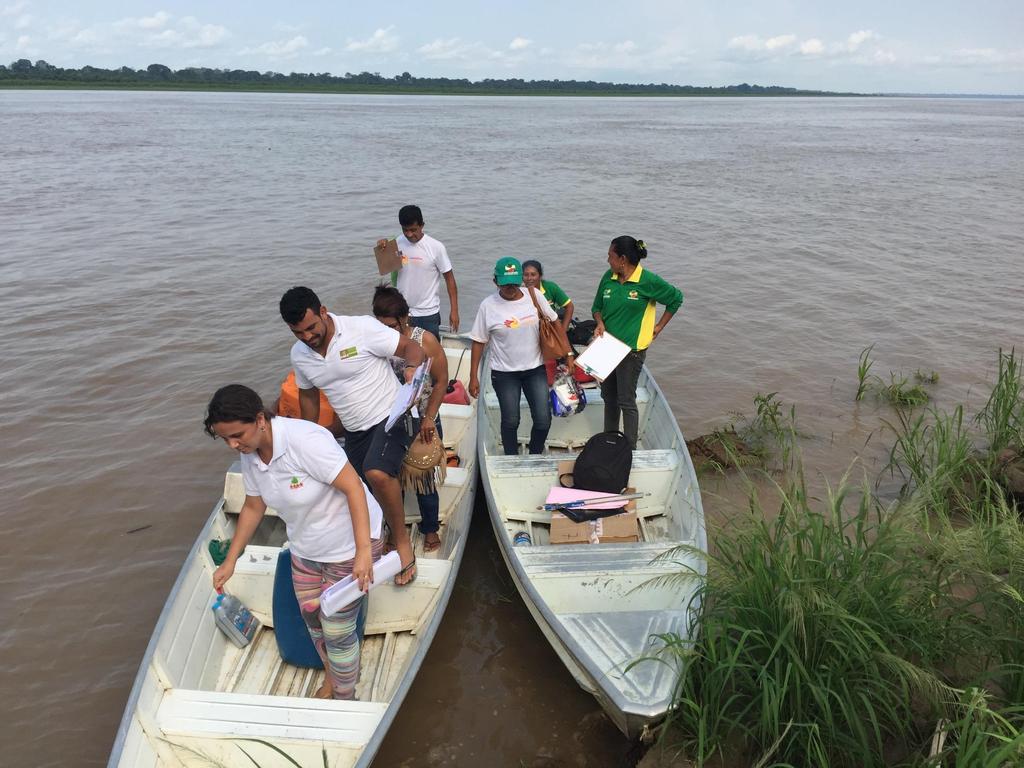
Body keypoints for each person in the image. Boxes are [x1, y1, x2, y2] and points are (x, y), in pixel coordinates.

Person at [204, 384, 384, 700]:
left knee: (338, 631)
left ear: (260, 419)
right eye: (225, 439)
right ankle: (333, 676)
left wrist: (364, 552)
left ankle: (345, 697)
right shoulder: (251, 452)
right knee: (313, 617)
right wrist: (231, 560)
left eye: (237, 435)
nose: (233, 445)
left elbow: (354, 488)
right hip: (306, 547)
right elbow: (253, 505)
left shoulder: (306, 442)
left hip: (348, 545)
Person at [279, 286, 425, 586]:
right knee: (353, 489)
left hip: (393, 415)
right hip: (355, 430)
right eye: (298, 333)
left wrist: (411, 369)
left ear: (323, 312)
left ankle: (402, 544)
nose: (307, 337)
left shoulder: (361, 328)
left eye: (311, 328)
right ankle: (373, 538)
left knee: (377, 472)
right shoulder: (300, 355)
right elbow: (307, 398)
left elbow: (413, 349)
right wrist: (308, 437)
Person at [373, 285, 449, 553]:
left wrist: (429, 418)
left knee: (424, 478)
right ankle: (396, 530)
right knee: (391, 478)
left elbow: (441, 382)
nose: (389, 331)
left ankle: (430, 528)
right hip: (390, 419)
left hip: (423, 417)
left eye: (393, 325)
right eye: (382, 325)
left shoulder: (424, 340)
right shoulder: (377, 341)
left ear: (405, 318)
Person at [592, 236, 683, 449]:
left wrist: (659, 326)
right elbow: (596, 307)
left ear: (623, 259)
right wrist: (599, 323)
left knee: (626, 400)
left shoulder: (647, 281)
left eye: (610, 256)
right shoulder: (609, 276)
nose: (608, 260)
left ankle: (629, 449)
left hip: (631, 351)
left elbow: (676, 298)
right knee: (608, 397)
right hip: (606, 348)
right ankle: (610, 440)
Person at [469, 257, 558, 456]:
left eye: (514, 283)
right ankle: (511, 457)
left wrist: (567, 354)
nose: (511, 288)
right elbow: (478, 341)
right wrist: (473, 376)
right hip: (504, 373)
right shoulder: (487, 306)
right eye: (505, 283)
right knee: (511, 420)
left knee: (543, 420)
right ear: (495, 282)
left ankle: (535, 454)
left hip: (535, 369)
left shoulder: (534, 296)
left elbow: (554, 321)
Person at [376, 204, 459, 339]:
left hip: (428, 313)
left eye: (413, 230)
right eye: (405, 230)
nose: (409, 234)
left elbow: (450, 279)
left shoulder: (436, 247)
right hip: (402, 312)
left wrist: (454, 311)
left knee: (431, 354)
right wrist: (383, 249)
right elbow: (386, 269)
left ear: (422, 225)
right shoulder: (397, 243)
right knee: (404, 355)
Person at [522, 260, 574, 333]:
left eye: (533, 275)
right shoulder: (519, 292)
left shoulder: (550, 287)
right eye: (526, 275)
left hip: (549, 328)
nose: (529, 278)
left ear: (540, 276)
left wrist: (563, 330)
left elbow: (569, 306)